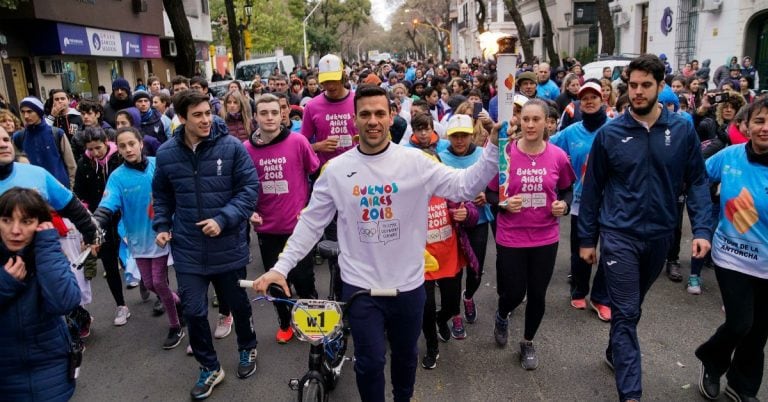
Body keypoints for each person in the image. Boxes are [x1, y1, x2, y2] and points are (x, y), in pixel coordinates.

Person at [250, 85, 500, 402]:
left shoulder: (417, 162)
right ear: (354, 120)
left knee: (406, 360)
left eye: (380, 113)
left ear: (391, 116)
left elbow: (464, 185)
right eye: (365, 114)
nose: (373, 120)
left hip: (409, 286)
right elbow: (311, 223)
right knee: (369, 364)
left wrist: (493, 146)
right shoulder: (336, 170)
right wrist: (280, 269)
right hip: (361, 289)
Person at [578, 54, 712, 402]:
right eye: (632, 85)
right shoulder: (610, 133)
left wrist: (701, 230)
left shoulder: (682, 130)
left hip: (661, 236)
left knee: (631, 309)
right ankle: (631, 394)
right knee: (625, 312)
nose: (637, 92)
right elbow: (592, 189)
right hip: (619, 235)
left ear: (661, 87)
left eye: (645, 85)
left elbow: (697, 181)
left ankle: (615, 351)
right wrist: (587, 239)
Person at [152, 90, 260, 399]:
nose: (206, 120)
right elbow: (162, 195)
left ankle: (247, 348)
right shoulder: (166, 154)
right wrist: (161, 225)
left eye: (207, 112)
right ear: (182, 118)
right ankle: (210, 367)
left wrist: (223, 219)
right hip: (187, 249)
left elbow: (250, 189)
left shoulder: (232, 147)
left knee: (238, 304)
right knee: (195, 312)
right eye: (197, 115)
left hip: (228, 245)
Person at [492, 99, 575, 370]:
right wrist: (502, 203)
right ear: (519, 121)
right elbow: (491, 192)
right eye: (525, 119)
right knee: (515, 292)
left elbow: (566, 189)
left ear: (546, 122)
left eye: (535, 119)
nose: (529, 124)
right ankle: (503, 313)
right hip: (511, 234)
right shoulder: (505, 154)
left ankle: (527, 342)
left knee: (538, 294)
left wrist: (563, 204)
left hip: (545, 236)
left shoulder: (558, 156)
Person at [695, 97, 768, 402]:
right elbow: (697, 178)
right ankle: (712, 359)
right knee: (740, 323)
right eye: (760, 121)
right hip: (732, 256)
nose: (765, 128)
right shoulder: (729, 156)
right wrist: (701, 222)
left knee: (759, 330)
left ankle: (742, 386)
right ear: (746, 125)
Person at [94, 127, 185, 348]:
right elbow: (107, 206)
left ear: (141, 143)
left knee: (158, 282)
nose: (128, 149)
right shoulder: (117, 177)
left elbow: (179, 189)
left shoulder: (158, 164)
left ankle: (175, 326)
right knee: (149, 284)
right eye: (122, 146)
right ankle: (178, 303)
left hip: (164, 235)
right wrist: (93, 224)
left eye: (131, 144)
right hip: (137, 239)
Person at [244, 94, 320, 343]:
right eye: (263, 113)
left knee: (304, 280)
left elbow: (317, 175)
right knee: (275, 283)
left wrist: (309, 206)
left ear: (282, 115)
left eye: (274, 112)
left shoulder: (298, 142)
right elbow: (242, 186)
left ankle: (311, 321)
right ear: (255, 116)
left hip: (298, 228)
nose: (269, 117)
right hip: (267, 229)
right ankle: (286, 322)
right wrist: (249, 212)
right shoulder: (246, 150)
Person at [0, 187, 82, 402]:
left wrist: (47, 246)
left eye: (26, 222)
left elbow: (65, 302)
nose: (15, 230)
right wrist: (5, 284)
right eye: (7, 220)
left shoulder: (49, 253)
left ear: (39, 224)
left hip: (49, 366)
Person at [549, 82, 611, 321]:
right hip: (579, 203)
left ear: (602, 99)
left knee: (609, 251)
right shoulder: (571, 132)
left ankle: (601, 298)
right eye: (584, 97)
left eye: (594, 96)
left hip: (610, 204)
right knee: (580, 250)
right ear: (579, 103)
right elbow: (547, 147)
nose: (589, 101)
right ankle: (579, 290)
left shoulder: (614, 129)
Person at [438, 114, 495, 327]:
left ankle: (469, 296)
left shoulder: (482, 154)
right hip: (450, 224)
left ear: (472, 135)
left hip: (478, 221)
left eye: (464, 135)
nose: (460, 140)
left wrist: (487, 195)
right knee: (452, 273)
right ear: (449, 137)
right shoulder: (440, 157)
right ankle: (455, 315)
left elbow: (498, 182)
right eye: (455, 136)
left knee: (476, 271)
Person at [72, 127, 130, 326]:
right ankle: (121, 305)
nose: (95, 153)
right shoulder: (84, 164)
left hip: (125, 218)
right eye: (90, 149)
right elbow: (80, 195)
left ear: (106, 141)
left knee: (136, 258)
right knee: (109, 265)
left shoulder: (119, 159)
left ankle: (150, 288)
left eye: (98, 147)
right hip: (99, 220)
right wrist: (86, 223)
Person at [301, 54, 357, 168]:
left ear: (343, 76)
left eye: (334, 79)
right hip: (326, 172)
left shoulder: (359, 100)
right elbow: (301, 145)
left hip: (358, 168)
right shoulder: (311, 106)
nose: (330, 85)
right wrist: (317, 146)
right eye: (326, 81)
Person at [14, 97, 77, 189]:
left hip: (59, 189)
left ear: (39, 112)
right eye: (23, 112)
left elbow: (71, 165)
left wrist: (71, 189)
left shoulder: (57, 134)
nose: (26, 116)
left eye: (29, 111)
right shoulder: (18, 137)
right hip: (32, 192)